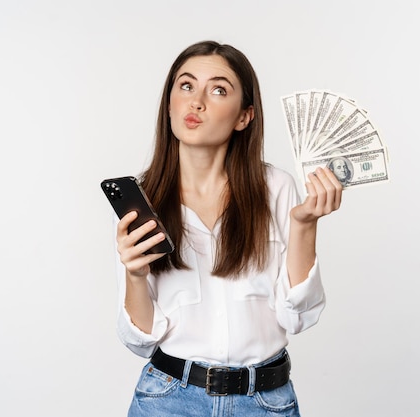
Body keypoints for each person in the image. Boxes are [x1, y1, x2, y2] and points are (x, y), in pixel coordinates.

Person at [113, 40, 343, 417]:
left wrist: (305, 225)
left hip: (264, 401)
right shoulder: (141, 202)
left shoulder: (276, 188)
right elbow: (140, 340)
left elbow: (297, 317)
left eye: (218, 89)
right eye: (186, 86)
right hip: (168, 400)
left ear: (244, 117)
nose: (196, 101)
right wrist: (135, 274)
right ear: (169, 101)